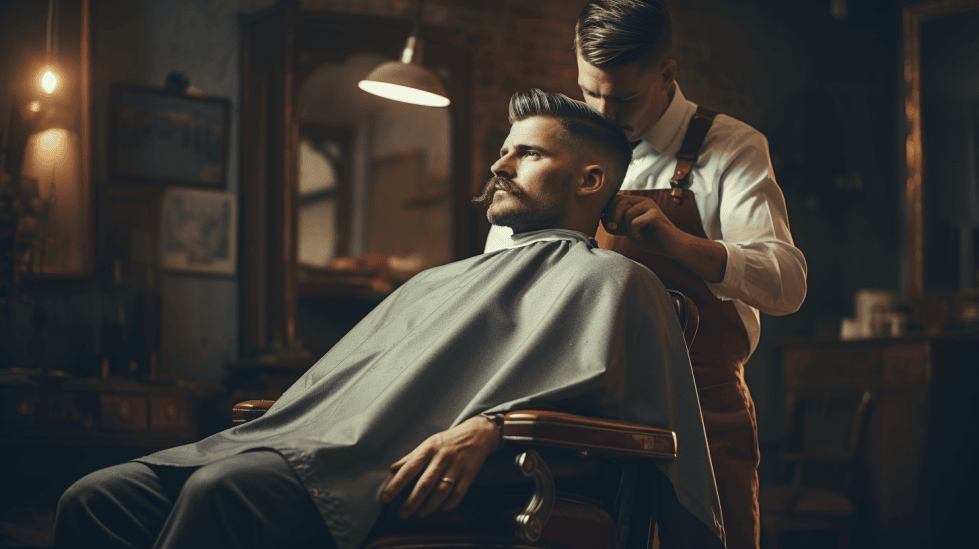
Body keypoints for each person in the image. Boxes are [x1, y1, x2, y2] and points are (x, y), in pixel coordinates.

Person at [52, 90, 725, 549]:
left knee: (225, 490)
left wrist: (488, 429)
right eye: (503, 149)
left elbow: (646, 430)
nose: (498, 164)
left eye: (528, 153)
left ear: (589, 180)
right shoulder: (440, 278)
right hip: (315, 445)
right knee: (96, 495)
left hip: (407, 472)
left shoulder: (617, 280)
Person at [484, 3, 808, 548]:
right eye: (591, 92)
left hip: (700, 413)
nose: (604, 114)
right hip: (580, 412)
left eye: (624, 98)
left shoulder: (731, 148)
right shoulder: (558, 149)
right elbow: (499, 275)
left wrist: (680, 245)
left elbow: (787, 283)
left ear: (667, 74)